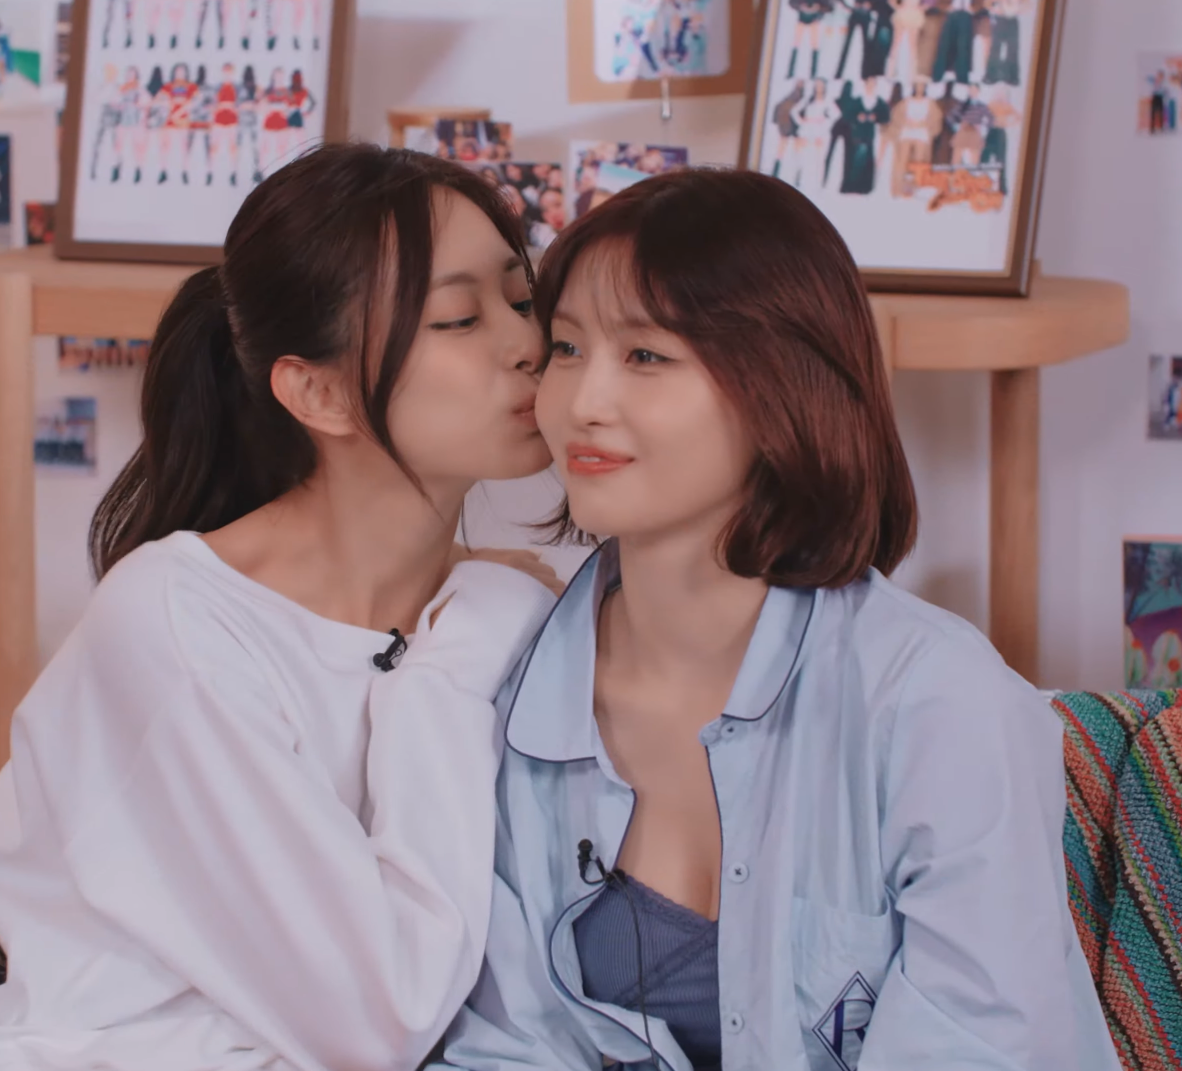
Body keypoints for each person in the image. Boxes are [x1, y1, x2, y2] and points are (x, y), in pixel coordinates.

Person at [430, 168, 1121, 1071]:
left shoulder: (938, 704)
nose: (583, 403)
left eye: (646, 356)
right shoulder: (508, 689)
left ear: (778, 383)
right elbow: (503, 1044)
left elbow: (981, 1049)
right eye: (565, 347)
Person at [0, 143, 562, 1071]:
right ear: (319, 391)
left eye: (519, 297)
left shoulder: (491, 604)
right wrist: (462, 646)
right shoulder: (183, 624)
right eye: (459, 318)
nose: (525, 343)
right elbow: (378, 1016)